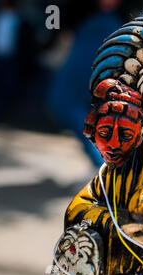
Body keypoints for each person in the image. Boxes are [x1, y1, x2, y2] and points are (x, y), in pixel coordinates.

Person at [47, 0, 124, 167]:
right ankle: (104, 164)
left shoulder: (110, 20)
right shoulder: (90, 15)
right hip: (90, 49)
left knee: (66, 104)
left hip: (96, 51)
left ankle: (103, 165)